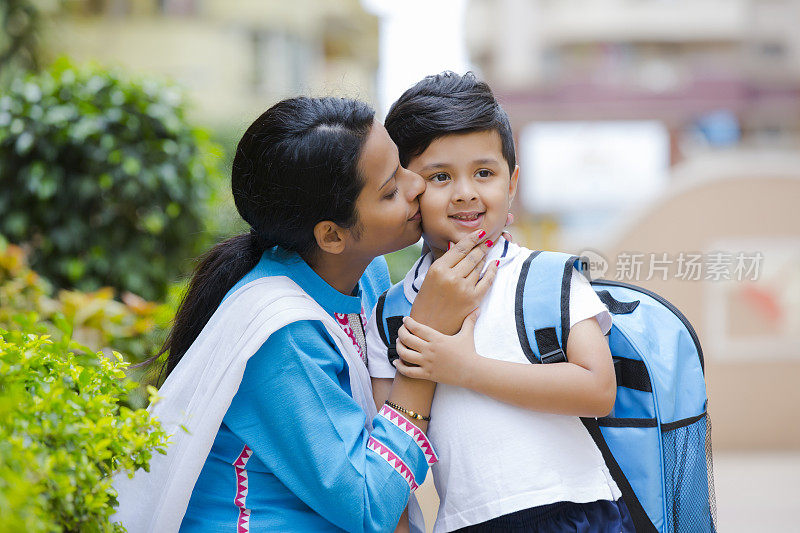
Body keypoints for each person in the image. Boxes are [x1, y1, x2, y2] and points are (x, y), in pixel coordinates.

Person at [112, 96, 499, 533]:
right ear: (332, 236)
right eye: (391, 190)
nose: (418, 187)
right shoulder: (283, 333)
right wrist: (423, 342)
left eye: (403, 167)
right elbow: (370, 508)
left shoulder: (364, 273)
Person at [366, 72, 636, 532]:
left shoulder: (550, 277)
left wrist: (465, 369)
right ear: (409, 189)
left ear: (512, 183)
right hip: (466, 522)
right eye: (440, 177)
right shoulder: (390, 313)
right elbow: (391, 451)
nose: (466, 192)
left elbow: (597, 390)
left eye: (484, 173)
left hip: (574, 511)